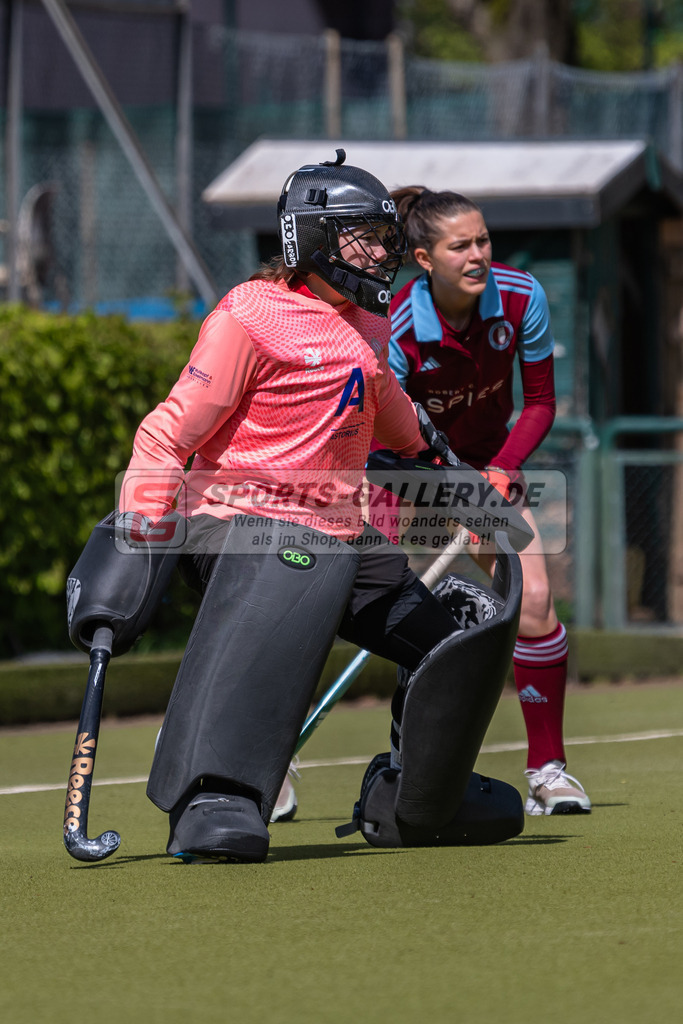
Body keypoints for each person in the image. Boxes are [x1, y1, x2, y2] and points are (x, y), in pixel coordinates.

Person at [116, 152, 516, 862]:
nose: (383, 252)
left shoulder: (364, 328)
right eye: (365, 236)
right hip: (237, 523)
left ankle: (418, 796)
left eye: (385, 238)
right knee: (281, 554)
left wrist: (459, 481)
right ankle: (217, 796)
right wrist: (136, 530)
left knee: (448, 648)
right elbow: (168, 429)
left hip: (336, 534)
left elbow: (394, 418)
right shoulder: (248, 313)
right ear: (314, 237)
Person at [387, 186, 591, 817]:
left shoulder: (522, 296)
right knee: (328, 602)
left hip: (482, 470)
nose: (478, 255)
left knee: (531, 598)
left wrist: (500, 469)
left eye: (483, 240)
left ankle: (549, 771)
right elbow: (382, 430)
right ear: (424, 258)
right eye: (460, 246)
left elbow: (540, 404)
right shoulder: (397, 327)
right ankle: (273, 763)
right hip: (399, 468)